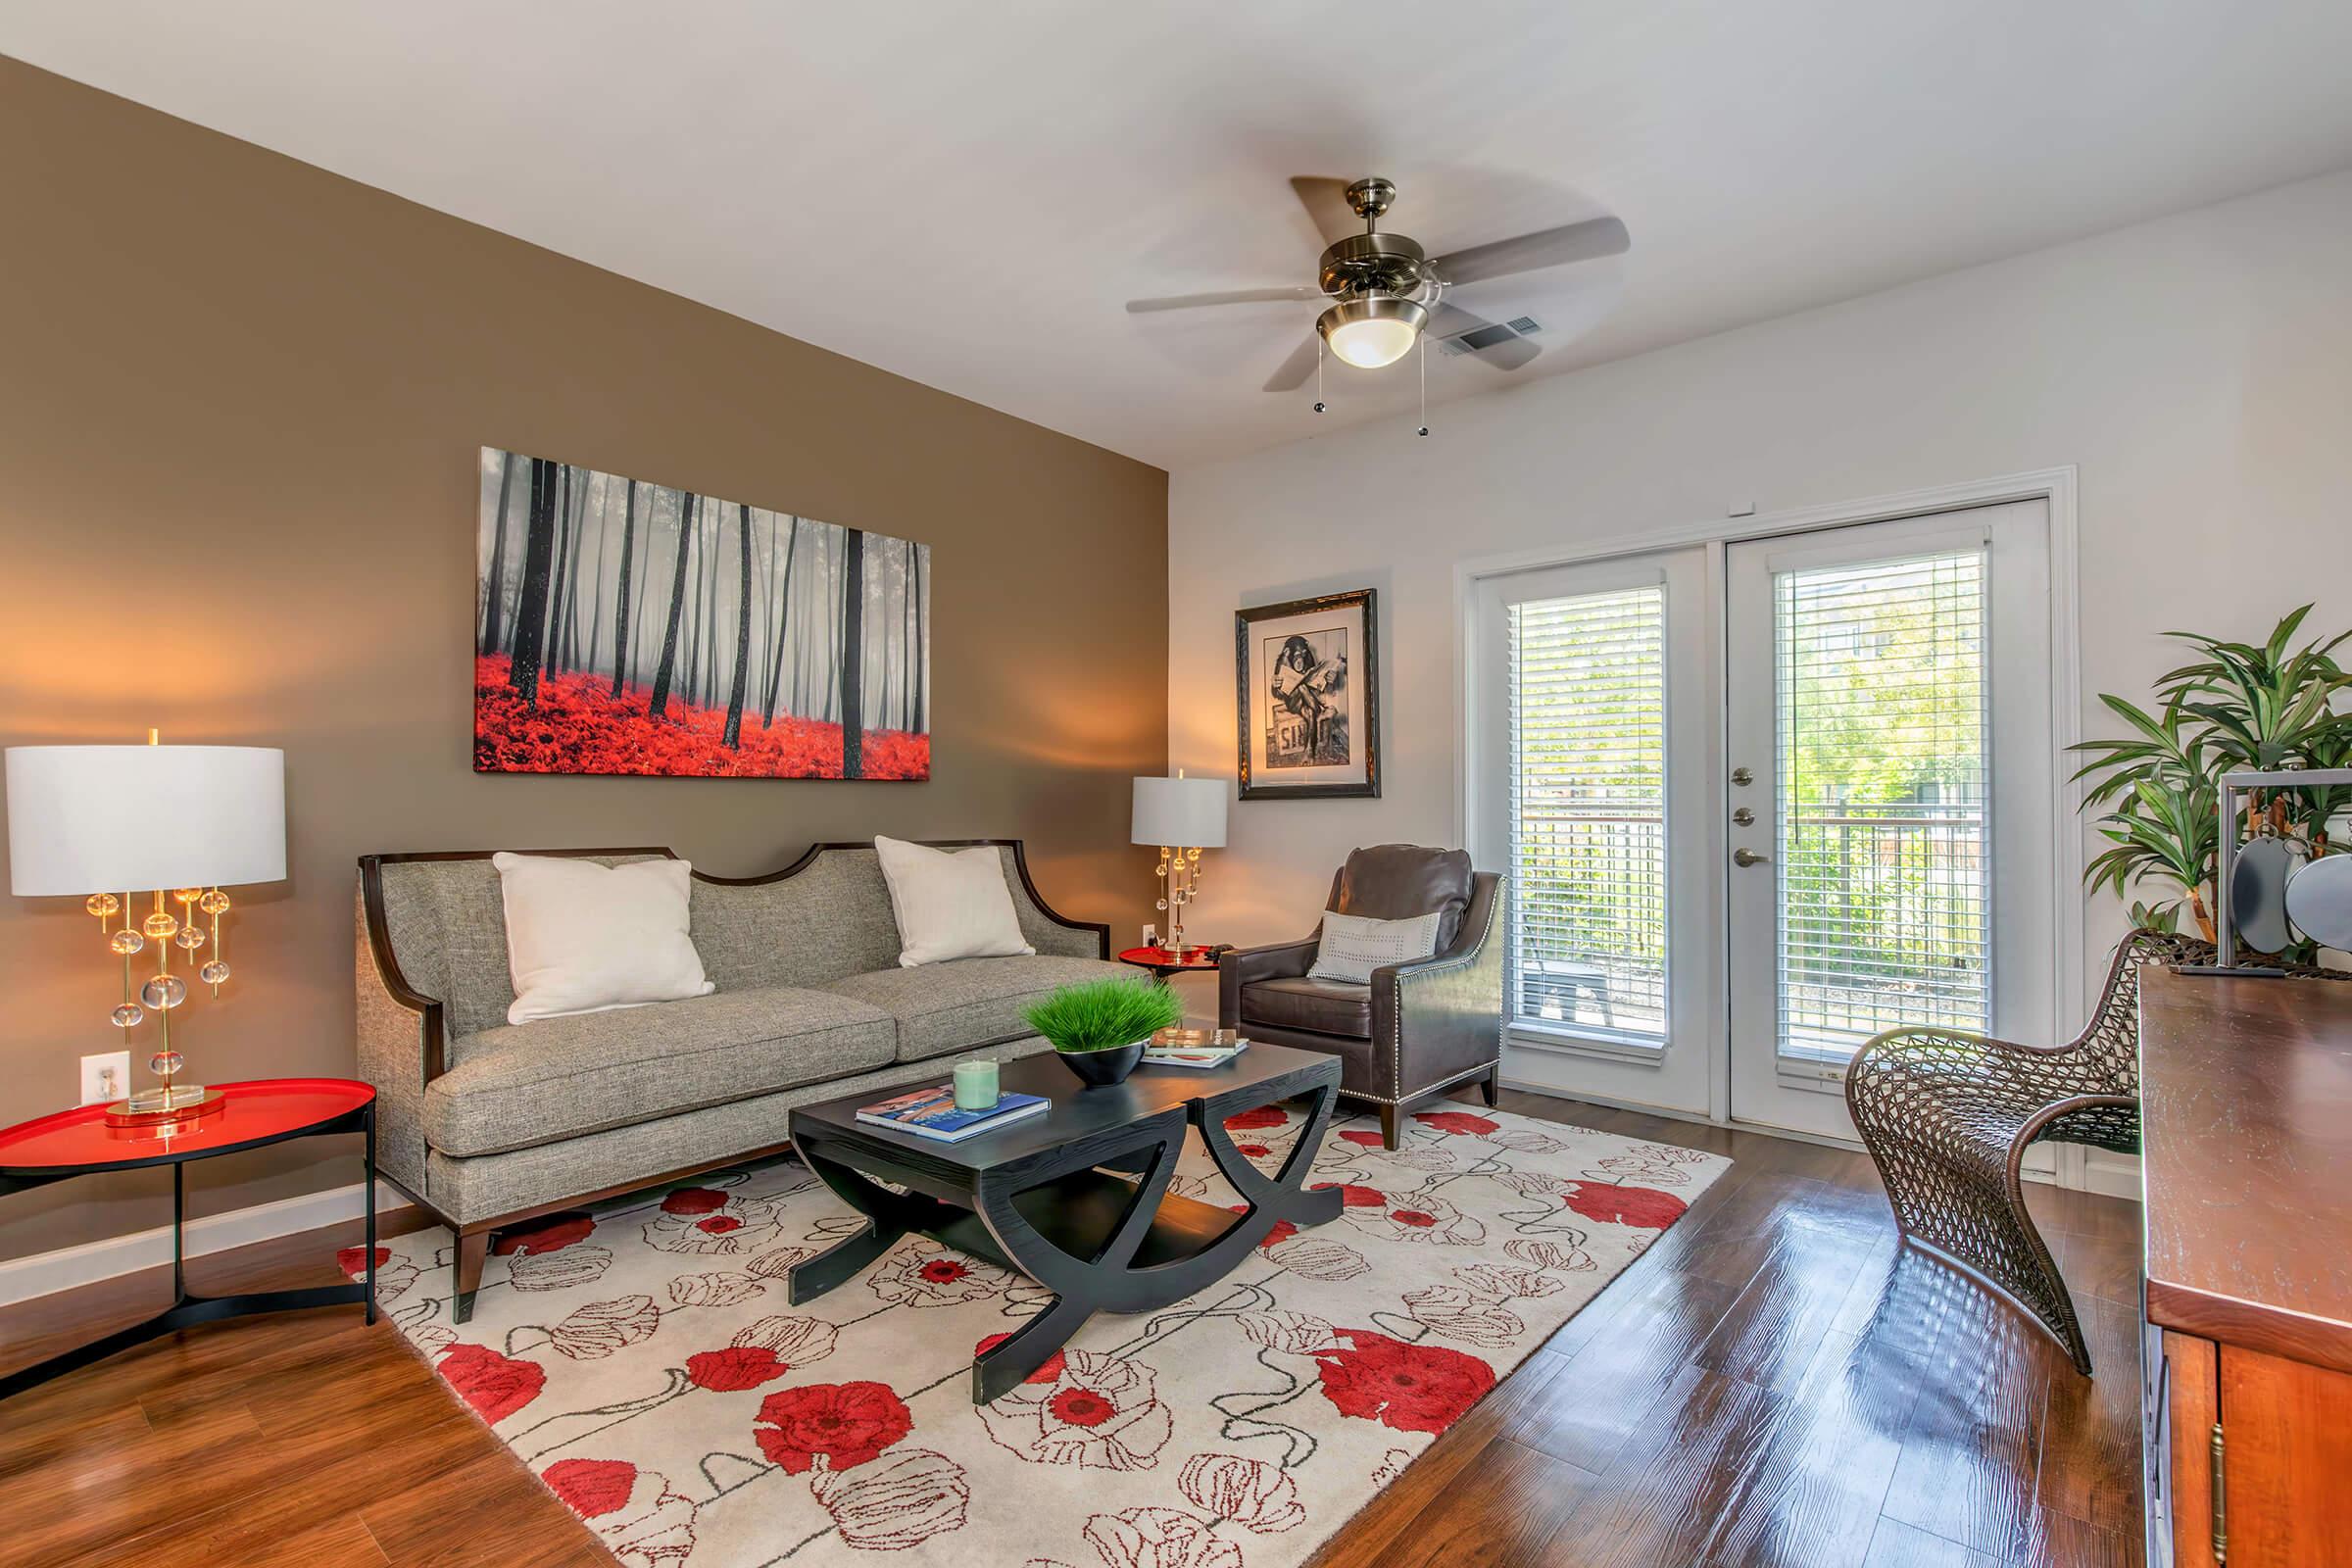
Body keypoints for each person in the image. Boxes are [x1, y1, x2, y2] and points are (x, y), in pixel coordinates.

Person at [1269, 634, 1345, 763]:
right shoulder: (1283, 661)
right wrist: (1275, 685)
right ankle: (1321, 712)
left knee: (1310, 714)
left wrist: (1328, 680)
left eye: (1303, 655)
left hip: (1309, 701)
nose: (1301, 660)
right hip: (1293, 702)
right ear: (1288, 652)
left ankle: (1309, 752)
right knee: (1302, 686)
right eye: (1297, 655)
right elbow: (1277, 694)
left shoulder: (1308, 656)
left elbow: (1316, 686)